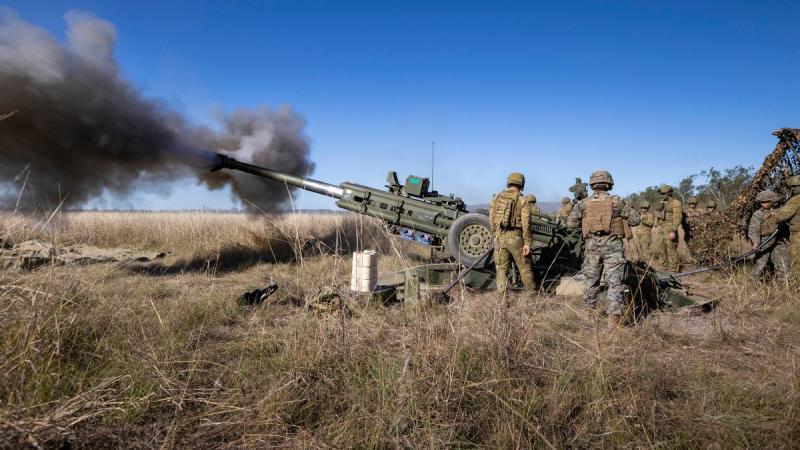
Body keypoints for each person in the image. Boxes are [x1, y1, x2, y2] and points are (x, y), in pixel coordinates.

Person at [567, 170, 640, 327]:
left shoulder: (583, 203)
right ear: (609, 184)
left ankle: (587, 318)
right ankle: (613, 323)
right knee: (616, 284)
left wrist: (588, 224)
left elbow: (571, 224)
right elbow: (635, 220)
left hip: (592, 248)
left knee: (590, 282)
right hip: (614, 248)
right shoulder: (618, 202)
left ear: (592, 184)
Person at [489, 172, 537, 298]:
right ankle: (533, 298)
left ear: (509, 182)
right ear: (521, 184)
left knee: (501, 270)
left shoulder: (497, 197)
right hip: (516, 239)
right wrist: (527, 243)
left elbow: (491, 218)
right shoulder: (523, 200)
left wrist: (495, 235)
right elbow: (526, 224)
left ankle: (502, 301)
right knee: (525, 269)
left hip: (499, 238)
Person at [748, 190, 789, 280]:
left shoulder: (782, 211)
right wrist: (755, 242)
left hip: (779, 241)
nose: (764, 204)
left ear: (773, 201)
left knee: (782, 264)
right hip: (764, 242)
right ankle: (751, 283)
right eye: (762, 202)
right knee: (759, 264)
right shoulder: (758, 214)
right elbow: (753, 229)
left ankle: (783, 285)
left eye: (767, 201)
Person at [774, 175, 800, 279]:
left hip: (798, 235)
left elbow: (781, 216)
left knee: (797, 260)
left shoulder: (796, 199)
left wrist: (773, 214)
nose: (792, 189)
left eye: (794, 186)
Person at [656, 184, 683, 271]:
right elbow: (657, 213)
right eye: (661, 193)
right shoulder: (661, 202)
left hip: (670, 229)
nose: (662, 195)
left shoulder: (676, 203)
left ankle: (673, 270)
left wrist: (673, 231)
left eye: (664, 193)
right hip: (661, 229)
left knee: (671, 250)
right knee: (661, 250)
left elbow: (678, 217)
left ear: (669, 193)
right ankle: (664, 268)